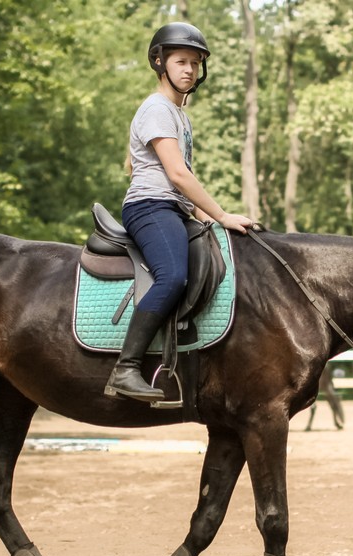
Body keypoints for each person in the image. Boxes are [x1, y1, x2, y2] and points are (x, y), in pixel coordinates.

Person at [105, 22, 255, 402]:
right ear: (160, 63)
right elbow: (176, 174)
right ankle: (125, 369)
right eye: (180, 61)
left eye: (194, 63)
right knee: (172, 276)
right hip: (149, 207)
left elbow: (183, 189)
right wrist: (220, 214)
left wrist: (216, 223)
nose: (188, 69)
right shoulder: (157, 109)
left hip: (171, 208)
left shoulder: (179, 116)